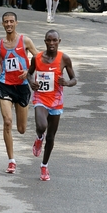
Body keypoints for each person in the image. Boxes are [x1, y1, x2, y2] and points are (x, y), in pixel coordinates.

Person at [27, 29, 77, 181]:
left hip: (56, 102)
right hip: (40, 98)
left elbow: (74, 79)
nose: (52, 43)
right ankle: (38, 137)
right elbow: (29, 73)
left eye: (54, 40)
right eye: (49, 40)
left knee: (51, 136)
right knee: (42, 126)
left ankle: (44, 166)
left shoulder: (64, 59)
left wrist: (67, 83)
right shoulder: (37, 58)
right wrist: (31, 82)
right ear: (45, 42)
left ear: (59, 41)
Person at [0, 11, 38, 174]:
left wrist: (29, 70)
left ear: (16, 23)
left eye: (11, 21)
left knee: (21, 129)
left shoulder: (25, 40)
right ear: (3, 24)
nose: (9, 24)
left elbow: (38, 58)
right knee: (7, 122)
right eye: (6, 22)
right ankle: (11, 160)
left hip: (22, 86)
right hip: (5, 85)